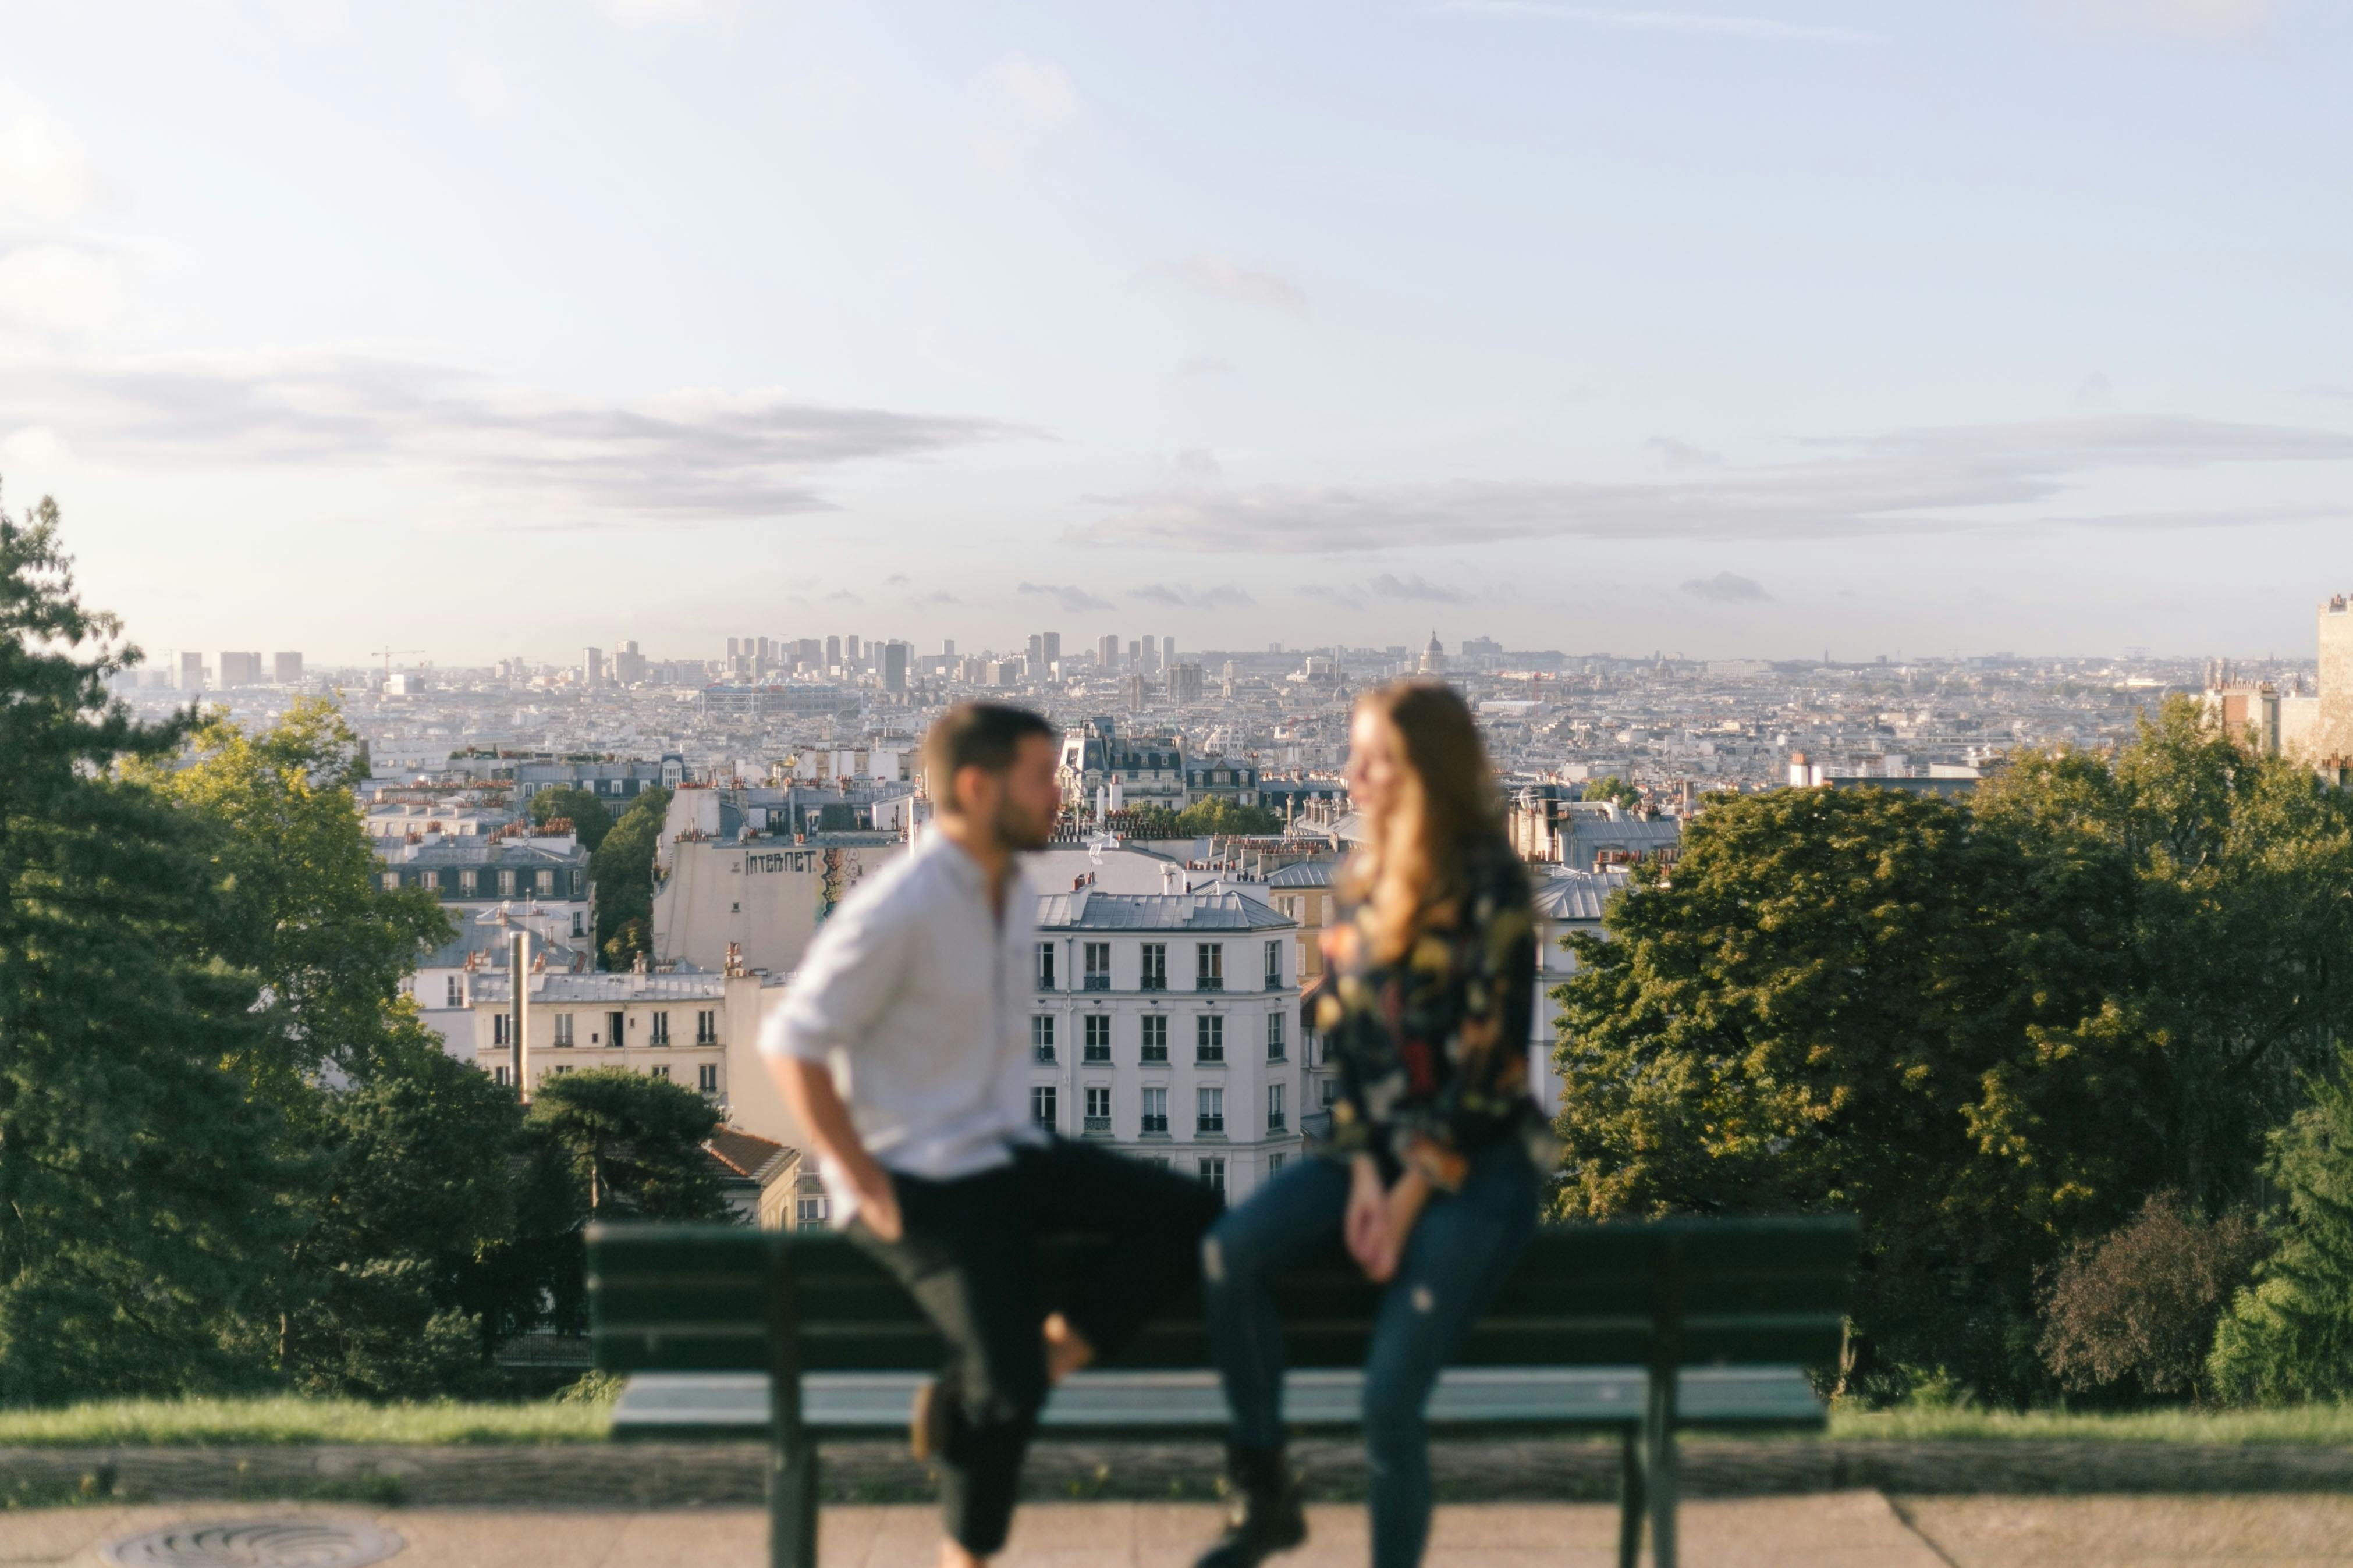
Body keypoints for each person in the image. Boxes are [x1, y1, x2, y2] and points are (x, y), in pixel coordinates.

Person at [761, 700, 1223, 1568]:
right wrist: (864, 1184)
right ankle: (967, 1552)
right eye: (1043, 776)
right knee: (1008, 1391)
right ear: (977, 787)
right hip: (922, 1179)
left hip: (1002, 1153)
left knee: (1191, 1212)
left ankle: (979, 1387)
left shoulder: (1009, 884)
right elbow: (791, 1041)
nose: (1062, 793)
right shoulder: (904, 903)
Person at [1193, 681, 1545, 1568]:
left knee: (1388, 1402)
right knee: (1227, 1256)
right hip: (1378, 1152)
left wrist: (1402, 1199)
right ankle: (1263, 1487)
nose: (1350, 775)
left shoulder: (1491, 883)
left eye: (1373, 758)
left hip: (1475, 1168)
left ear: (1426, 770)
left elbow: (1486, 1076)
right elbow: (1355, 1055)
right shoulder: (1360, 883)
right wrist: (1358, 1176)